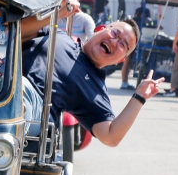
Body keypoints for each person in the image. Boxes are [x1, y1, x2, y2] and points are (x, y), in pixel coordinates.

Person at [22, 19, 166, 148]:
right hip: (4, 74)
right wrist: (59, 12)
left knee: (17, 90)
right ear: (100, 29)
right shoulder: (58, 35)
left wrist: (139, 97)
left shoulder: (95, 90)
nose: (115, 42)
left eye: (123, 44)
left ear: (120, 60)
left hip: (31, 106)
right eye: (115, 33)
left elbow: (111, 137)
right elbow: (16, 29)